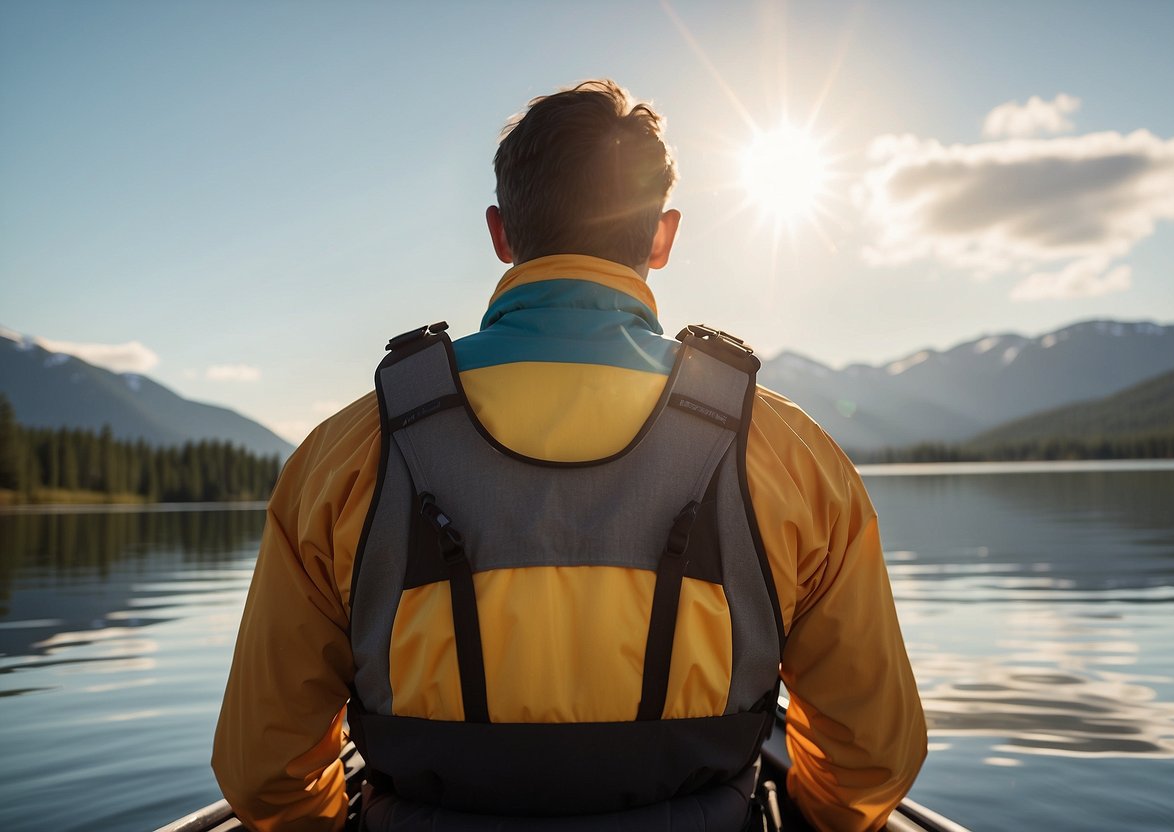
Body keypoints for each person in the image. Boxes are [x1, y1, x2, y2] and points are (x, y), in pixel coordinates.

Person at [213, 79, 926, 832]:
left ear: (501, 233)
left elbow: (263, 772)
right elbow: (872, 756)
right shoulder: (790, 452)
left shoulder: (348, 452)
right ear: (662, 236)